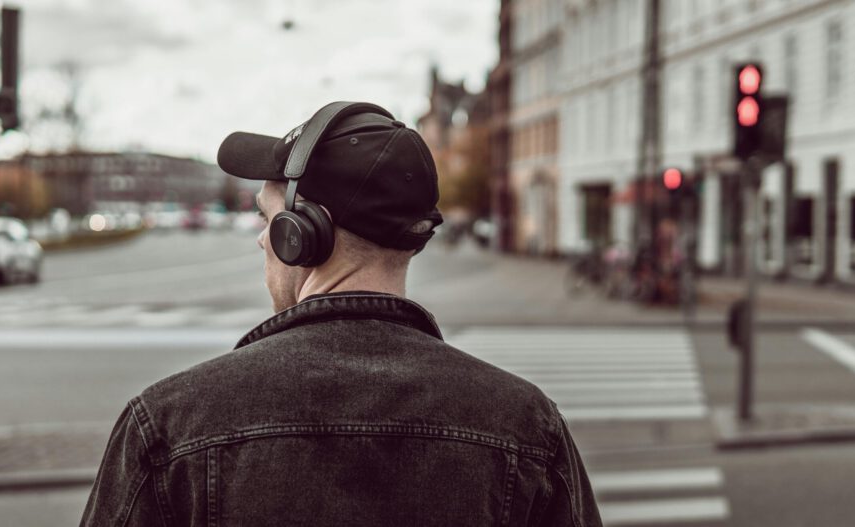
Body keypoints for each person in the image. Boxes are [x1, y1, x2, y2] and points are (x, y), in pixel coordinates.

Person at [81, 101, 602, 526]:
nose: (261, 239)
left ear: (301, 234)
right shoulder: (526, 427)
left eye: (267, 219)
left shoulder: (168, 425)